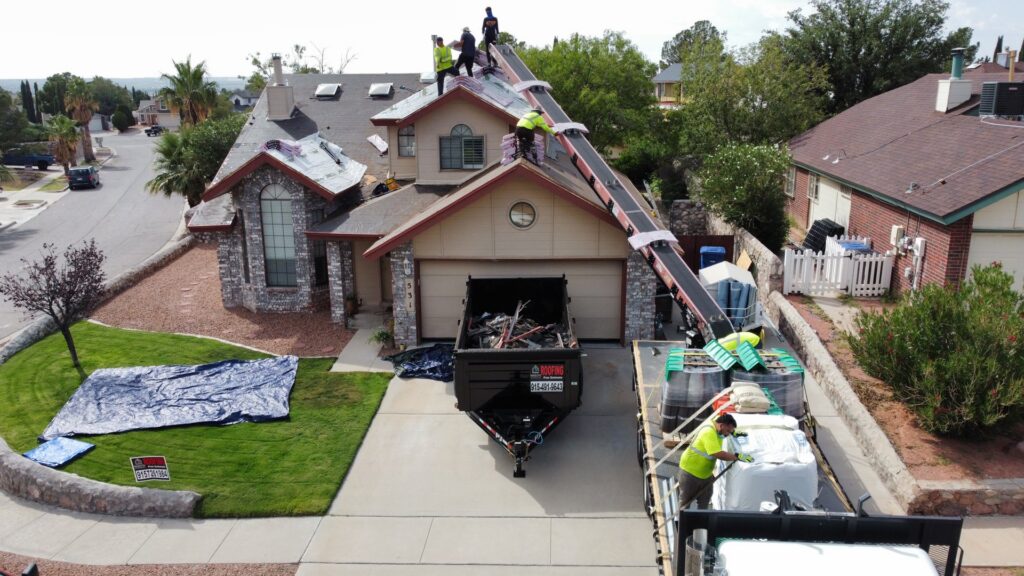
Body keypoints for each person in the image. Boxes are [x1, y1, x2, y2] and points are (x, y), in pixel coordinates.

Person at [677, 413, 754, 510]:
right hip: (690, 473)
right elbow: (717, 453)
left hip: (705, 474)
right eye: (727, 431)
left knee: (705, 500)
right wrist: (736, 456)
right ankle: (682, 523)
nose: (727, 434)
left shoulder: (717, 426)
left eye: (730, 431)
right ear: (721, 425)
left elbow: (722, 421)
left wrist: (733, 433)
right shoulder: (709, 432)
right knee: (685, 502)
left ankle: (700, 522)